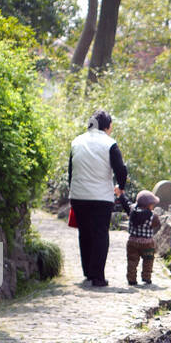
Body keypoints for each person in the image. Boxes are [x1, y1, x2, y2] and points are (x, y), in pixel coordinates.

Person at [68, 110, 128, 287]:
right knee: (100, 234)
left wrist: (72, 190)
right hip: (101, 197)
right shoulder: (110, 143)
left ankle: (88, 272)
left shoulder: (76, 141)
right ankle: (98, 277)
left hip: (78, 195)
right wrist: (121, 187)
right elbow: (121, 170)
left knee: (84, 233)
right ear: (107, 127)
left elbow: (71, 171)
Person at [125, 191, 161, 286]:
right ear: (149, 205)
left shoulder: (132, 211)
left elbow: (128, 204)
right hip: (147, 243)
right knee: (148, 261)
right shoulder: (153, 216)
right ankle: (146, 277)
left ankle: (131, 279)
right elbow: (157, 224)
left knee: (132, 261)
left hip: (132, 242)